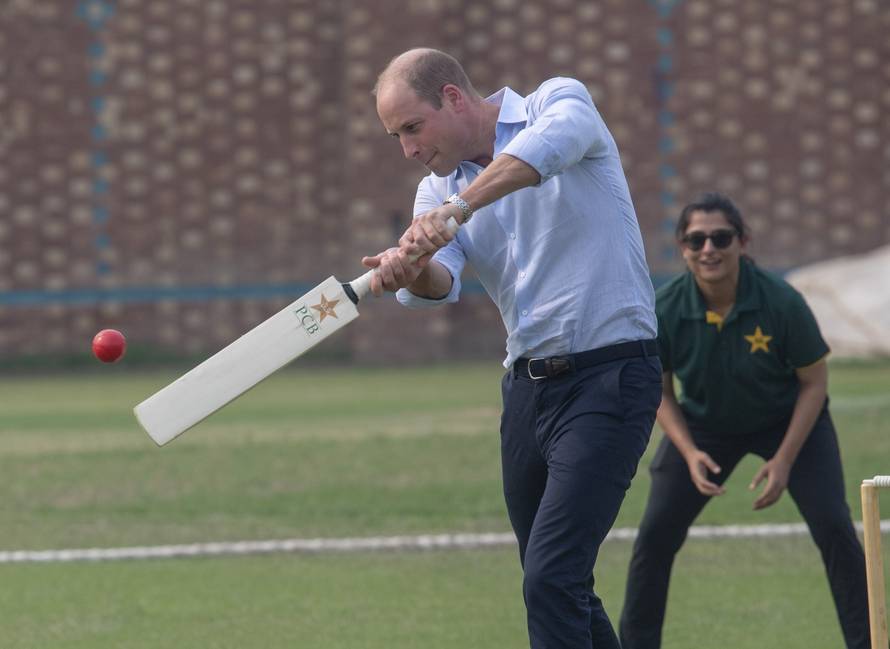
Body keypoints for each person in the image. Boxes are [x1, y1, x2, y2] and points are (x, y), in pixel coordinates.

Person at [362, 48, 662, 649]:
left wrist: (458, 209)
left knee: (552, 578)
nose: (409, 149)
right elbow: (437, 286)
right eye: (396, 136)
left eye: (413, 127)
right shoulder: (434, 192)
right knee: (556, 582)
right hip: (526, 395)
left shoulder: (558, 101)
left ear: (452, 96)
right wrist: (411, 268)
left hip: (610, 377)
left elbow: (544, 154)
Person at [618, 193, 870, 649]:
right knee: (654, 536)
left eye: (721, 237)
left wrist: (785, 459)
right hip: (703, 427)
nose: (709, 248)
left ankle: (869, 641)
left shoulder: (782, 301)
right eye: (697, 240)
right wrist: (689, 451)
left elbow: (814, 384)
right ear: (683, 247)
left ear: (742, 241)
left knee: (835, 526)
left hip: (786, 421)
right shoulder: (666, 307)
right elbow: (657, 387)